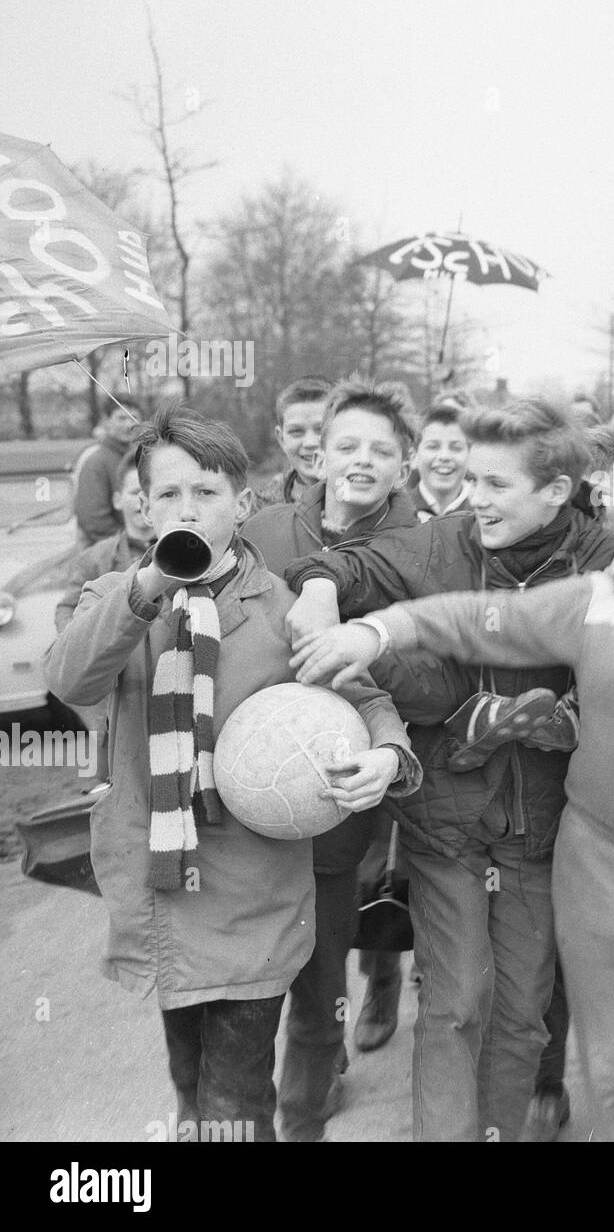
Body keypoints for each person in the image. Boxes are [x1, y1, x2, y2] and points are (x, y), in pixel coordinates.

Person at [290, 468, 614, 1143]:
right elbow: (472, 619)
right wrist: (371, 634)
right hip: (598, 872)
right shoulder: (591, 601)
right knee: (613, 1074)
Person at [44, 405, 417, 1142]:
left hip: (253, 894)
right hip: (161, 893)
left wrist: (384, 755)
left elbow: (366, 697)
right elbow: (71, 680)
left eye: (207, 493)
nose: (189, 508)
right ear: (143, 508)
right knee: (190, 1090)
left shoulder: (279, 609)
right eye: (171, 494)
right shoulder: (116, 598)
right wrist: (148, 583)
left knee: (236, 1100)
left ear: (243, 506)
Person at [281, 398, 614, 1142]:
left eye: (497, 485)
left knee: (522, 1013)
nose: (477, 499)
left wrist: (566, 718)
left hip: (544, 827)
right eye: (472, 479)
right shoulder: (440, 543)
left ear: (556, 492)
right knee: (457, 1001)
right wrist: (317, 591)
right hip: (446, 821)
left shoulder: (605, 559)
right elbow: (338, 561)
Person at [241, 377, 423, 1140]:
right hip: (243, 804)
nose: (360, 459)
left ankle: (302, 1117)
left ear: (405, 465)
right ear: (317, 454)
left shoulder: (424, 544)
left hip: (341, 800)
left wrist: (365, 684)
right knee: (244, 996)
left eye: (381, 450)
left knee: (320, 992)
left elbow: (432, 672)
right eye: (345, 444)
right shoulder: (264, 529)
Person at [56, 455, 153, 635]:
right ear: (117, 500)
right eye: (134, 492)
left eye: (149, 492)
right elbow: (66, 609)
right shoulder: (92, 559)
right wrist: (77, 643)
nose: (142, 501)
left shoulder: (180, 552)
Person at [252, 376, 330, 510]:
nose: (310, 443)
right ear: (281, 438)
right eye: (296, 431)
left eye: (321, 429)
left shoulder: (370, 503)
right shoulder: (260, 508)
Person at [73, 404, 139, 545]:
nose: (129, 424)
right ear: (107, 421)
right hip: (109, 552)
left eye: (134, 418)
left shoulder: (141, 458)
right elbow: (94, 521)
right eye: (121, 418)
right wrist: (134, 543)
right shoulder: (96, 462)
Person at [412, 403, 473, 520]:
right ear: (414, 456)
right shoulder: (396, 513)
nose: (444, 456)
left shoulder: (483, 514)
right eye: (433, 446)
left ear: (470, 456)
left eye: (456, 447)